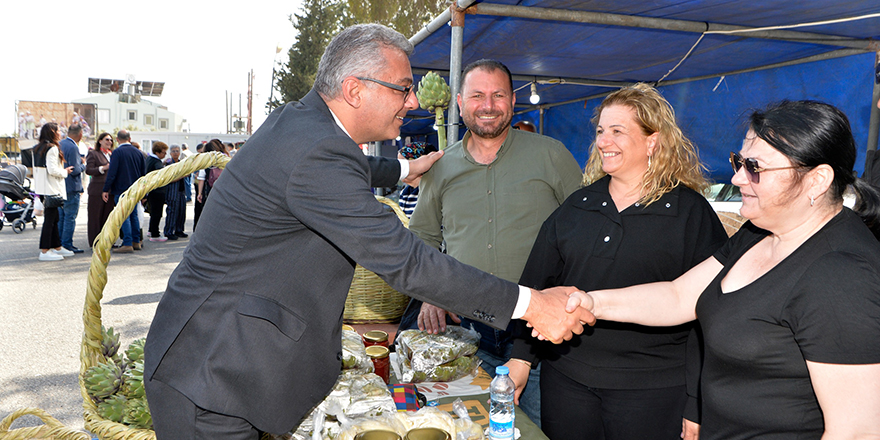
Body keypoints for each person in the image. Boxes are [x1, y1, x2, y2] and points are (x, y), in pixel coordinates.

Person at [143, 23, 590, 440]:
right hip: (214, 378)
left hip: (225, 362)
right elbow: (407, 259)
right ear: (355, 90)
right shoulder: (318, 152)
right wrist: (529, 304)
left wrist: (405, 167)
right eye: (403, 88)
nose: (412, 101)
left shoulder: (301, 124)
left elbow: (355, 165)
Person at [566, 100, 880, 439]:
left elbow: (856, 432)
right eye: (739, 161)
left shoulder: (842, 275)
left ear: (817, 180)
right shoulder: (758, 232)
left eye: (755, 167)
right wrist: (589, 302)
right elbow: (678, 296)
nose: (736, 177)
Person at [502, 83, 727, 440]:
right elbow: (536, 289)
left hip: (654, 393)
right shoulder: (576, 207)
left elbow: (711, 315)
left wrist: (696, 401)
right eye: (600, 131)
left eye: (618, 131)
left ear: (652, 141)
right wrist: (520, 360)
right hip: (567, 383)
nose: (604, 141)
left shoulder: (690, 213)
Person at [400, 59, 584, 426]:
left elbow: (586, 235)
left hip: (541, 336)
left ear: (513, 101)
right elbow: (422, 239)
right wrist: (429, 294)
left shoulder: (551, 156)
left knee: (540, 427)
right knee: (469, 426)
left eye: (498, 95)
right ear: (459, 102)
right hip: (467, 337)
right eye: (478, 96)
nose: (488, 105)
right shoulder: (441, 167)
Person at [32, 122, 73, 261]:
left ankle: (57, 247)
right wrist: (65, 171)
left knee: (54, 218)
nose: (61, 132)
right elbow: (53, 170)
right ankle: (44, 251)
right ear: (53, 132)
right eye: (59, 130)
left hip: (42, 188)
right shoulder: (52, 148)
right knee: (50, 220)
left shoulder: (38, 148)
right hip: (51, 189)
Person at [102, 130, 145, 253]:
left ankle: (127, 243)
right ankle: (136, 241)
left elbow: (112, 172)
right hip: (135, 189)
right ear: (129, 138)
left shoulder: (117, 152)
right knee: (134, 215)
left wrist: (106, 189)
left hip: (121, 188)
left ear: (117, 139)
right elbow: (143, 173)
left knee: (124, 216)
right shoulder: (138, 153)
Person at [57, 124, 86, 253]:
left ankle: (59, 244)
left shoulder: (59, 144)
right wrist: (83, 165)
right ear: (80, 134)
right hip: (72, 187)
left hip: (60, 186)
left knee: (61, 217)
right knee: (70, 217)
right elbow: (75, 170)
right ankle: (67, 244)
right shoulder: (73, 147)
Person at [85, 133, 116, 248]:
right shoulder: (94, 154)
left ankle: (106, 241)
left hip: (110, 189)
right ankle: (95, 243)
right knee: (95, 217)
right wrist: (103, 168)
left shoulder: (112, 154)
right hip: (97, 189)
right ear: (100, 141)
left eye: (111, 140)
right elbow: (88, 170)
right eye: (107, 139)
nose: (109, 142)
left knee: (107, 217)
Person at [145, 141, 169, 242]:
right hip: (158, 191)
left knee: (153, 212)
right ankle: (155, 234)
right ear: (158, 152)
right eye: (164, 152)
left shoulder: (149, 159)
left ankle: (151, 230)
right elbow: (161, 174)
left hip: (151, 190)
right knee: (157, 213)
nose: (165, 154)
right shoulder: (157, 162)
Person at [163, 145, 187, 240]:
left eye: (177, 151)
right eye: (174, 151)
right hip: (172, 191)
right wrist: (181, 175)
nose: (176, 153)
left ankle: (179, 230)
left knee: (181, 211)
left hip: (181, 191)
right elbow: (169, 178)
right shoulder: (168, 164)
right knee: (172, 211)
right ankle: (169, 231)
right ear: (170, 153)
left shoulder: (182, 163)